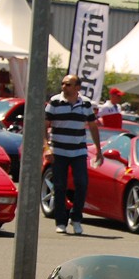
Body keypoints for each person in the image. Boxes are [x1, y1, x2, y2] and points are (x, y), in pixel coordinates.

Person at [44, 74, 102, 235]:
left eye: (68, 84)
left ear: (77, 88)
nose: (64, 86)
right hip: (59, 150)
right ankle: (60, 221)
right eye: (63, 84)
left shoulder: (86, 104)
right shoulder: (55, 102)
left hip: (78, 150)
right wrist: (46, 148)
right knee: (60, 186)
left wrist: (98, 149)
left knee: (82, 184)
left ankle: (76, 218)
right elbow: (44, 125)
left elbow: (92, 126)